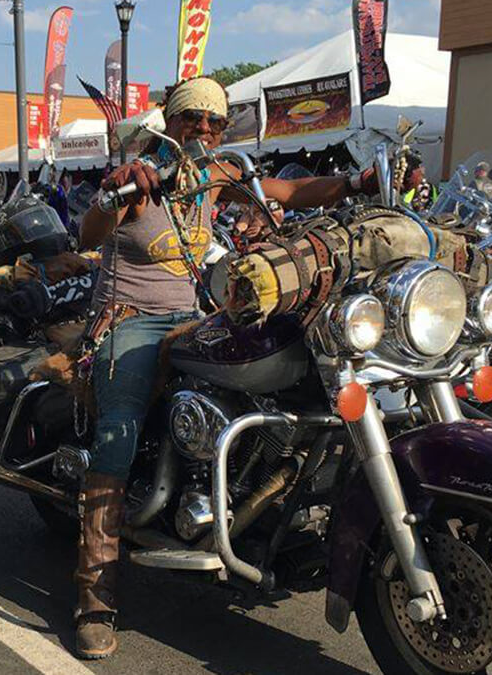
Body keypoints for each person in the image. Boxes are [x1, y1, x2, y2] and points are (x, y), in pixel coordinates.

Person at [73, 76, 377, 660]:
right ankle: (95, 597)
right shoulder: (140, 176)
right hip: (131, 318)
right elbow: (90, 233)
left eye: (215, 123)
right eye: (194, 120)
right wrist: (115, 194)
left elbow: (285, 192)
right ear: (172, 120)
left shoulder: (214, 176)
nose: (206, 131)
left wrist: (355, 182)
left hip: (195, 314)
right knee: (118, 436)